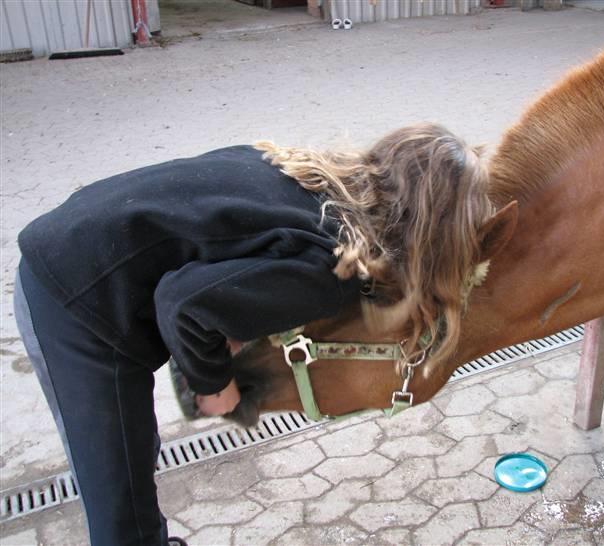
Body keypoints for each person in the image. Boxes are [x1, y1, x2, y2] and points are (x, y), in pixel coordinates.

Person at [13, 122, 494, 545]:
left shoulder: (301, 175)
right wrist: (214, 387)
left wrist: (239, 316)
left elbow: (206, 257)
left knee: (130, 458)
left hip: (74, 240)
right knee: (120, 514)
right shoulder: (331, 269)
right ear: (435, 237)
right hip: (74, 301)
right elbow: (181, 306)